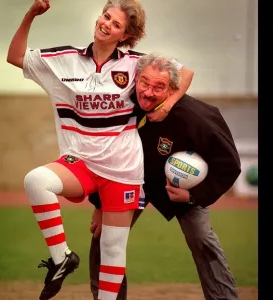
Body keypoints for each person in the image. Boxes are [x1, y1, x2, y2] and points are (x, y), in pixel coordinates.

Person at [6, 1, 194, 299]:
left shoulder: (136, 64)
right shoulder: (64, 58)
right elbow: (15, 56)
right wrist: (31, 15)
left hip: (124, 171)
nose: (106, 24)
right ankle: (61, 257)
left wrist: (167, 104)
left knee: (112, 249)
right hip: (79, 163)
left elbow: (184, 73)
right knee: (36, 181)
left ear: (124, 35)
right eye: (106, 17)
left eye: (116, 24)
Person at [89, 52, 241, 300]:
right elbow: (105, 153)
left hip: (180, 189)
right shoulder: (122, 106)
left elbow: (229, 165)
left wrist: (192, 195)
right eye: (144, 83)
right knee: (103, 237)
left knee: (202, 239)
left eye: (159, 87)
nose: (148, 92)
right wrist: (99, 205)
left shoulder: (198, 119)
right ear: (135, 78)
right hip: (132, 181)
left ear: (172, 89)